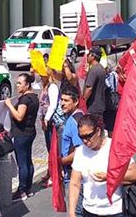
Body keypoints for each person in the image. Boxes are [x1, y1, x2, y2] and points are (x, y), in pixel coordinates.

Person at [68, 114, 136, 217]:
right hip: (89, 210)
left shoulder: (115, 148)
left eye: (88, 136)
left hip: (114, 211)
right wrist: (71, 212)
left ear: (98, 131)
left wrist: (109, 176)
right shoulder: (80, 152)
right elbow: (75, 183)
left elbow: (135, 174)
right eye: (82, 137)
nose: (85, 141)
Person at [4, 73, 39, 200]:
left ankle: (22, 190)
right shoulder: (34, 97)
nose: (17, 85)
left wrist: (9, 105)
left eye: (20, 83)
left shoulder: (25, 99)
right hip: (30, 132)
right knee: (28, 161)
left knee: (23, 163)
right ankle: (28, 188)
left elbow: (19, 116)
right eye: (17, 82)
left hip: (22, 134)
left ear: (27, 84)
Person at [59, 87, 85, 216]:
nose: (62, 103)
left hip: (73, 171)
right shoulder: (73, 118)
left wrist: (62, 161)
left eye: (66, 100)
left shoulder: (76, 121)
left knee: (76, 210)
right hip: (71, 170)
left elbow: (80, 150)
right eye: (61, 100)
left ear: (75, 102)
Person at [84, 46, 108, 120]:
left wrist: (83, 101)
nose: (87, 57)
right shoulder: (101, 68)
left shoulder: (94, 70)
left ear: (93, 56)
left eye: (88, 55)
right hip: (100, 106)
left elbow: (89, 88)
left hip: (92, 107)